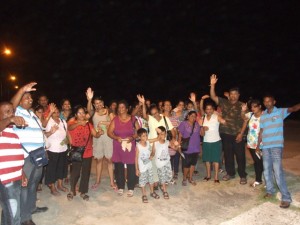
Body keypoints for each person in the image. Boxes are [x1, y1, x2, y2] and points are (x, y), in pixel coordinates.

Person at [11, 82, 49, 225]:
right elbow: (11, 105)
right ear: (20, 100)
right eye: (26, 97)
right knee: (24, 187)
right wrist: (22, 90)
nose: (30, 99)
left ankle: (32, 208)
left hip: (38, 155)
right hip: (26, 157)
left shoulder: (31, 114)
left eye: (30, 97)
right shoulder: (17, 112)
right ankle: (25, 218)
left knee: (33, 184)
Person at [258, 95, 300, 208]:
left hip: (276, 146)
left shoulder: (280, 112)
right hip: (265, 146)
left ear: (274, 102)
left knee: (277, 171)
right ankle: (270, 190)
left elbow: (294, 108)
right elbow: (261, 130)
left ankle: (286, 197)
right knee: (266, 170)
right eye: (265, 101)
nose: (267, 103)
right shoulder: (263, 115)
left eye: (269, 101)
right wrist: (258, 145)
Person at [209, 74, 248, 184]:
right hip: (225, 134)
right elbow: (213, 97)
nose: (233, 96)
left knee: (240, 156)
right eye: (232, 94)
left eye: (236, 94)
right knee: (228, 155)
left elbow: (245, 120)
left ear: (239, 95)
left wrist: (241, 134)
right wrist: (212, 85)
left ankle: (242, 175)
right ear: (229, 95)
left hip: (237, 135)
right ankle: (230, 173)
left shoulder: (242, 106)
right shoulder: (224, 102)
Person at [0, 101, 28, 225]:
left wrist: (22, 173)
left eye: (12, 111)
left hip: (15, 177)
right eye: (7, 112)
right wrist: (11, 119)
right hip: (7, 181)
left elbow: (15, 156)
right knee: (15, 216)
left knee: (8, 212)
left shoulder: (13, 132)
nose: (12, 114)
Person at [67, 105, 102, 201]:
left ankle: (83, 192)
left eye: (83, 112)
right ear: (75, 114)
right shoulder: (72, 122)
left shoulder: (88, 124)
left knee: (86, 173)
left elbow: (95, 135)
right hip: (77, 151)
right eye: (79, 113)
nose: (81, 114)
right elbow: (70, 128)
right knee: (75, 172)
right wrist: (79, 123)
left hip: (88, 151)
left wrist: (100, 132)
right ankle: (72, 190)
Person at [107, 100, 140, 197]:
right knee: (119, 166)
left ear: (127, 108)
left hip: (130, 145)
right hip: (118, 144)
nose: (121, 109)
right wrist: (116, 137)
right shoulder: (115, 120)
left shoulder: (133, 119)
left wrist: (133, 137)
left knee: (131, 166)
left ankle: (131, 187)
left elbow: (139, 132)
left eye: (123, 107)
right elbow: (109, 132)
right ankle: (120, 186)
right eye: (119, 107)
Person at [86, 88, 115, 190]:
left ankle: (112, 182)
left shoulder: (109, 111)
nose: (98, 105)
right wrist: (89, 99)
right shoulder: (93, 113)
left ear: (103, 103)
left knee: (110, 160)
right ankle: (97, 181)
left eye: (99, 103)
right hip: (97, 139)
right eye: (96, 103)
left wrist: (103, 123)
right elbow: (88, 110)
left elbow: (114, 123)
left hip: (108, 139)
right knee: (99, 161)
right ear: (94, 105)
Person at [200, 96, 225, 183]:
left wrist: (223, 119)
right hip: (206, 141)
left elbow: (223, 121)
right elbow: (200, 108)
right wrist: (202, 100)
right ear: (205, 110)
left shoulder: (216, 116)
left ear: (213, 109)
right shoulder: (203, 117)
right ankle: (208, 175)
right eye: (207, 109)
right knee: (207, 159)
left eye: (210, 109)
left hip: (216, 141)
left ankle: (216, 177)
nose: (209, 110)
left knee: (216, 160)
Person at [44, 107, 69, 196]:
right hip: (52, 149)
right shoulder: (48, 122)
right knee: (52, 169)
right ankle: (52, 187)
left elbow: (66, 133)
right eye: (54, 112)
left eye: (58, 112)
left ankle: (60, 185)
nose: (56, 114)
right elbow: (43, 130)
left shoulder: (63, 121)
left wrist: (68, 141)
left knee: (62, 168)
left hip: (63, 148)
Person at [240, 99, 264, 187]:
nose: (253, 108)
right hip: (251, 143)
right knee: (257, 161)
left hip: (261, 143)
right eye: (251, 107)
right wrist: (243, 111)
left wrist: (258, 145)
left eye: (255, 106)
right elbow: (243, 117)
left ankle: (260, 179)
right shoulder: (250, 115)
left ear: (260, 106)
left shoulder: (265, 115)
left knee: (261, 161)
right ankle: (259, 179)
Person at [135, 128, 160, 203]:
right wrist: (137, 169)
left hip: (149, 166)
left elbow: (157, 139)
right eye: (143, 136)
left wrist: (158, 132)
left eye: (146, 135)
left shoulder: (148, 142)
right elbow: (136, 158)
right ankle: (144, 195)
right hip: (142, 168)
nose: (145, 137)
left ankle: (152, 192)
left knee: (151, 180)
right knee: (142, 181)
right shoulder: (138, 146)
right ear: (139, 137)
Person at [178, 111, 201, 186]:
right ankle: (184, 178)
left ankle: (190, 178)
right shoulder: (183, 124)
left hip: (196, 147)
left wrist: (203, 128)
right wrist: (178, 146)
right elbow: (180, 135)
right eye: (192, 116)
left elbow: (201, 134)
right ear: (188, 116)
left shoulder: (197, 124)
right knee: (186, 165)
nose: (193, 118)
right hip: (187, 148)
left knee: (193, 164)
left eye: (195, 116)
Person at [152, 126, 174, 199]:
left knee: (169, 176)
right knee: (162, 177)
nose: (162, 135)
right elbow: (153, 152)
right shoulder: (155, 143)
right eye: (161, 134)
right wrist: (150, 156)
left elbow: (174, 147)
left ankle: (162, 185)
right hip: (159, 163)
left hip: (167, 162)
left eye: (164, 134)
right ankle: (165, 191)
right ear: (158, 135)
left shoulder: (167, 142)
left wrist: (177, 146)